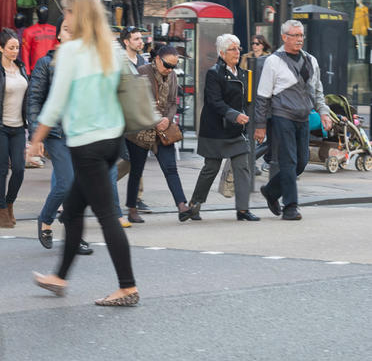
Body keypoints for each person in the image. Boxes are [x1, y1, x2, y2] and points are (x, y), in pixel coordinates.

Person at [28, 0, 138, 307]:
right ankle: (59, 277)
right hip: (111, 140)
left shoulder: (73, 52)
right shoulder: (111, 48)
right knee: (74, 210)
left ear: (78, 15)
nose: (65, 18)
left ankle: (127, 287)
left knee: (105, 215)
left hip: (87, 142)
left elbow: (57, 101)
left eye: (68, 13)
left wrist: (36, 138)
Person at [254, 20, 332, 220]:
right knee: (289, 161)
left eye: (301, 35)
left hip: (303, 117)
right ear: (284, 37)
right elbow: (263, 96)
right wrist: (260, 125)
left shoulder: (310, 60)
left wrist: (324, 112)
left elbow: (318, 91)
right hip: (282, 116)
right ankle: (291, 207)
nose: (299, 39)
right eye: (295, 35)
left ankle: (271, 191)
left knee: (301, 162)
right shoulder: (274, 61)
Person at [27, 19, 92, 255]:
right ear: (58, 36)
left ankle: (75, 236)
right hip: (55, 132)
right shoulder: (46, 63)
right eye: (66, 28)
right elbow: (34, 99)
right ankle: (46, 218)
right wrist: (37, 136)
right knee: (66, 182)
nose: (72, 31)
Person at [187, 34, 259, 221]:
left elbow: (248, 101)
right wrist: (235, 115)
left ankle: (242, 210)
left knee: (242, 167)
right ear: (222, 53)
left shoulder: (244, 74)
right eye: (232, 49)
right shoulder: (214, 73)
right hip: (215, 130)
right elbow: (214, 102)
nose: (237, 52)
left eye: (238, 48)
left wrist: (252, 120)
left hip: (236, 131)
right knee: (210, 168)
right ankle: (195, 204)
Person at [125, 45, 191, 223]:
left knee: (171, 168)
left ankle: (182, 205)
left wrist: (167, 120)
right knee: (136, 171)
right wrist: (155, 120)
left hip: (163, 130)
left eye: (173, 66)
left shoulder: (173, 76)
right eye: (167, 65)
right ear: (157, 59)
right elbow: (137, 103)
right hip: (140, 130)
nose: (170, 70)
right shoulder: (142, 72)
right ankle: (132, 209)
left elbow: (172, 103)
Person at [0, 29, 29, 228]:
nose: (15, 51)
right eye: (11, 48)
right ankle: (2, 210)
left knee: (19, 169)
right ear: (1, 48)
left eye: (17, 47)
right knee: (2, 170)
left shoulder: (22, 68)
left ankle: (9, 204)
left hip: (18, 127)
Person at [115, 26, 150, 217]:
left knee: (139, 158)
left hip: (138, 116)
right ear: (126, 42)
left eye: (141, 38)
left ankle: (137, 198)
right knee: (128, 159)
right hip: (122, 117)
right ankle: (103, 185)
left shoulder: (143, 61)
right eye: (136, 39)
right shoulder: (119, 61)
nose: (140, 41)